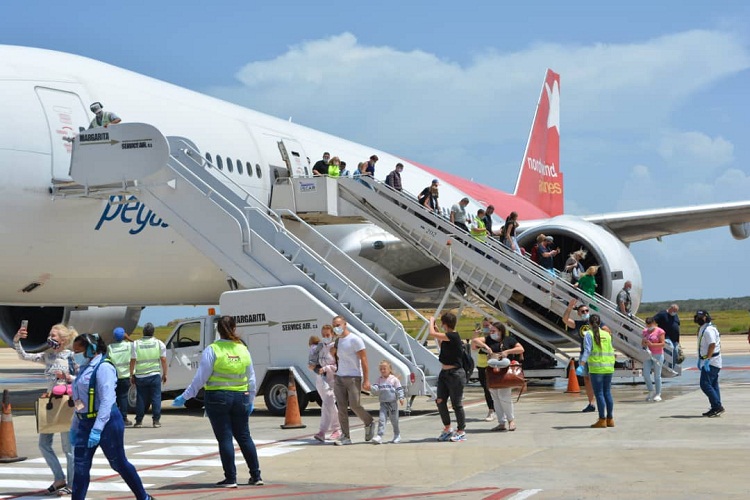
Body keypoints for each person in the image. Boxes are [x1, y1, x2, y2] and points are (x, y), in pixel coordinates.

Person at [172, 316, 263, 487]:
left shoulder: (213, 349)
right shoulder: (243, 349)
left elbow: (201, 378)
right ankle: (256, 475)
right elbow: (251, 378)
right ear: (234, 328)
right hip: (241, 397)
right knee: (244, 436)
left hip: (218, 397)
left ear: (218, 330)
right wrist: (250, 399)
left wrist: (186, 396)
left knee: (225, 438)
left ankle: (231, 478)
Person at [70, 333, 154, 500]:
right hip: (84, 422)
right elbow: (80, 398)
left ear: (91, 349)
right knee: (80, 467)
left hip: (107, 422)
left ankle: (143, 497)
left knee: (118, 463)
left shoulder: (104, 367)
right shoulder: (84, 367)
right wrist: (75, 424)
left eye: (78, 351)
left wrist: (97, 429)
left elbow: (107, 401)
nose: (75, 355)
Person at [13, 323, 77, 495]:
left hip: (65, 403)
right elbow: (24, 356)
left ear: (63, 340)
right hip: (50, 403)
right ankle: (59, 478)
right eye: (50, 334)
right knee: (43, 444)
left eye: (53, 336)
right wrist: (17, 339)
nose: (50, 338)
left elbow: (83, 378)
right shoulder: (47, 356)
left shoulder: (71, 357)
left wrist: (67, 377)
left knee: (68, 449)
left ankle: (72, 484)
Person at [331, 315, 374, 446]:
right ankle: (345, 436)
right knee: (341, 408)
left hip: (354, 377)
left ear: (345, 324)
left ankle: (369, 421)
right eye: (334, 325)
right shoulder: (338, 341)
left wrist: (366, 380)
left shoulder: (355, 339)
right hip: (339, 377)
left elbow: (364, 360)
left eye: (338, 325)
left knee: (355, 405)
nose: (336, 328)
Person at [562, 298, 611, 413]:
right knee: (587, 379)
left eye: (586, 311)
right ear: (578, 313)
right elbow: (565, 320)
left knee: (598, 379)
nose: (585, 313)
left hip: (596, 356)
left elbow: (607, 331)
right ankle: (591, 403)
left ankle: (601, 402)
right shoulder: (579, 324)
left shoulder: (596, 323)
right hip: (584, 354)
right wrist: (569, 308)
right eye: (582, 311)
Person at [429, 312, 466, 442]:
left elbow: (431, 334)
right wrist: (439, 334)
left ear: (445, 323)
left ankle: (461, 430)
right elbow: (442, 346)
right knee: (440, 400)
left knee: (456, 404)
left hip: (455, 374)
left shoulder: (454, 336)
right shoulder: (447, 338)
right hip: (444, 373)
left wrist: (431, 321)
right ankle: (447, 427)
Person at [483, 322, 524, 431]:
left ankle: (511, 420)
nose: (491, 333)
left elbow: (521, 349)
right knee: (495, 398)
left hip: (504, 372)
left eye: (493, 331)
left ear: (500, 331)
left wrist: (507, 351)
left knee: (504, 397)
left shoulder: (508, 340)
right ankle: (501, 422)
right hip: (492, 373)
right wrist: (486, 347)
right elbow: (475, 341)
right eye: (490, 331)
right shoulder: (489, 340)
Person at [577, 314, 616, 428]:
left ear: (589, 323)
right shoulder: (607, 335)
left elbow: (587, 351)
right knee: (607, 393)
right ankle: (610, 419)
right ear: (600, 323)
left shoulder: (589, 334)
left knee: (599, 394)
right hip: (608, 367)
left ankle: (602, 419)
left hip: (596, 368)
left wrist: (582, 364)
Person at [129, 322, 167, 428]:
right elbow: (163, 359)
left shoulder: (136, 344)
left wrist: (131, 374)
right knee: (156, 398)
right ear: (153, 332)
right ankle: (156, 421)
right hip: (154, 375)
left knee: (141, 398)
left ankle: (139, 421)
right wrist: (165, 373)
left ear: (143, 332)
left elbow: (133, 360)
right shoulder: (159, 343)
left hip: (141, 376)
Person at [308, 325, 341, 442]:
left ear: (332, 334)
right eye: (323, 335)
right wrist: (313, 366)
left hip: (333, 380)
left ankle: (327, 430)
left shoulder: (335, 348)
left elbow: (339, 366)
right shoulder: (320, 347)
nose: (325, 337)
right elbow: (314, 361)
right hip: (321, 380)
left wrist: (327, 368)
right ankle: (333, 430)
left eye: (327, 335)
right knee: (328, 405)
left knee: (328, 403)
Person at [695, 310, 724, 417]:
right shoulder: (704, 329)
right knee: (713, 385)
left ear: (706, 318)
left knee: (705, 384)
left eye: (700, 317)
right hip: (708, 360)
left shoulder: (709, 330)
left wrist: (707, 359)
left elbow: (712, 345)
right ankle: (715, 406)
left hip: (711, 361)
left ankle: (717, 406)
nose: (698, 318)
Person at [370, 360, 405, 444]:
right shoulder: (379, 380)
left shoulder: (394, 379)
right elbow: (375, 389)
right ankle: (379, 435)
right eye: (381, 369)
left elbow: (399, 389)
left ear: (389, 369)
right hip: (383, 403)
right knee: (382, 419)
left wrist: (401, 397)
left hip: (392, 403)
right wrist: (370, 387)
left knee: (394, 420)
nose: (382, 370)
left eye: (384, 369)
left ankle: (397, 435)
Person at [471, 318, 498, 422]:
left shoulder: (495, 338)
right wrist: (475, 335)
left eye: (487, 326)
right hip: (482, 366)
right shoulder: (481, 339)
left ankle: (498, 409)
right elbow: (473, 347)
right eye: (484, 326)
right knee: (486, 389)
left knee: (496, 389)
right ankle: (491, 410)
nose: (485, 328)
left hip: (493, 365)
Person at [107, 327, 133, 426]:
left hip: (114, 376)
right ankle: (123, 418)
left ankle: (115, 417)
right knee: (123, 397)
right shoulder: (128, 345)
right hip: (125, 375)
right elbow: (137, 345)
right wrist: (128, 338)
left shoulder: (110, 347)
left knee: (115, 397)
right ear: (124, 336)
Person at [642, 317, 665, 402]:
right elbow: (642, 343)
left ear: (654, 323)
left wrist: (652, 344)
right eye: (647, 325)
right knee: (646, 374)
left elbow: (662, 344)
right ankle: (651, 390)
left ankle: (658, 393)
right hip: (648, 354)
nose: (649, 327)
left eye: (650, 325)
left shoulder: (660, 331)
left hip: (658, 354)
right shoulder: (645, 331)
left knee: (657, 375)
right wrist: (644, 342)